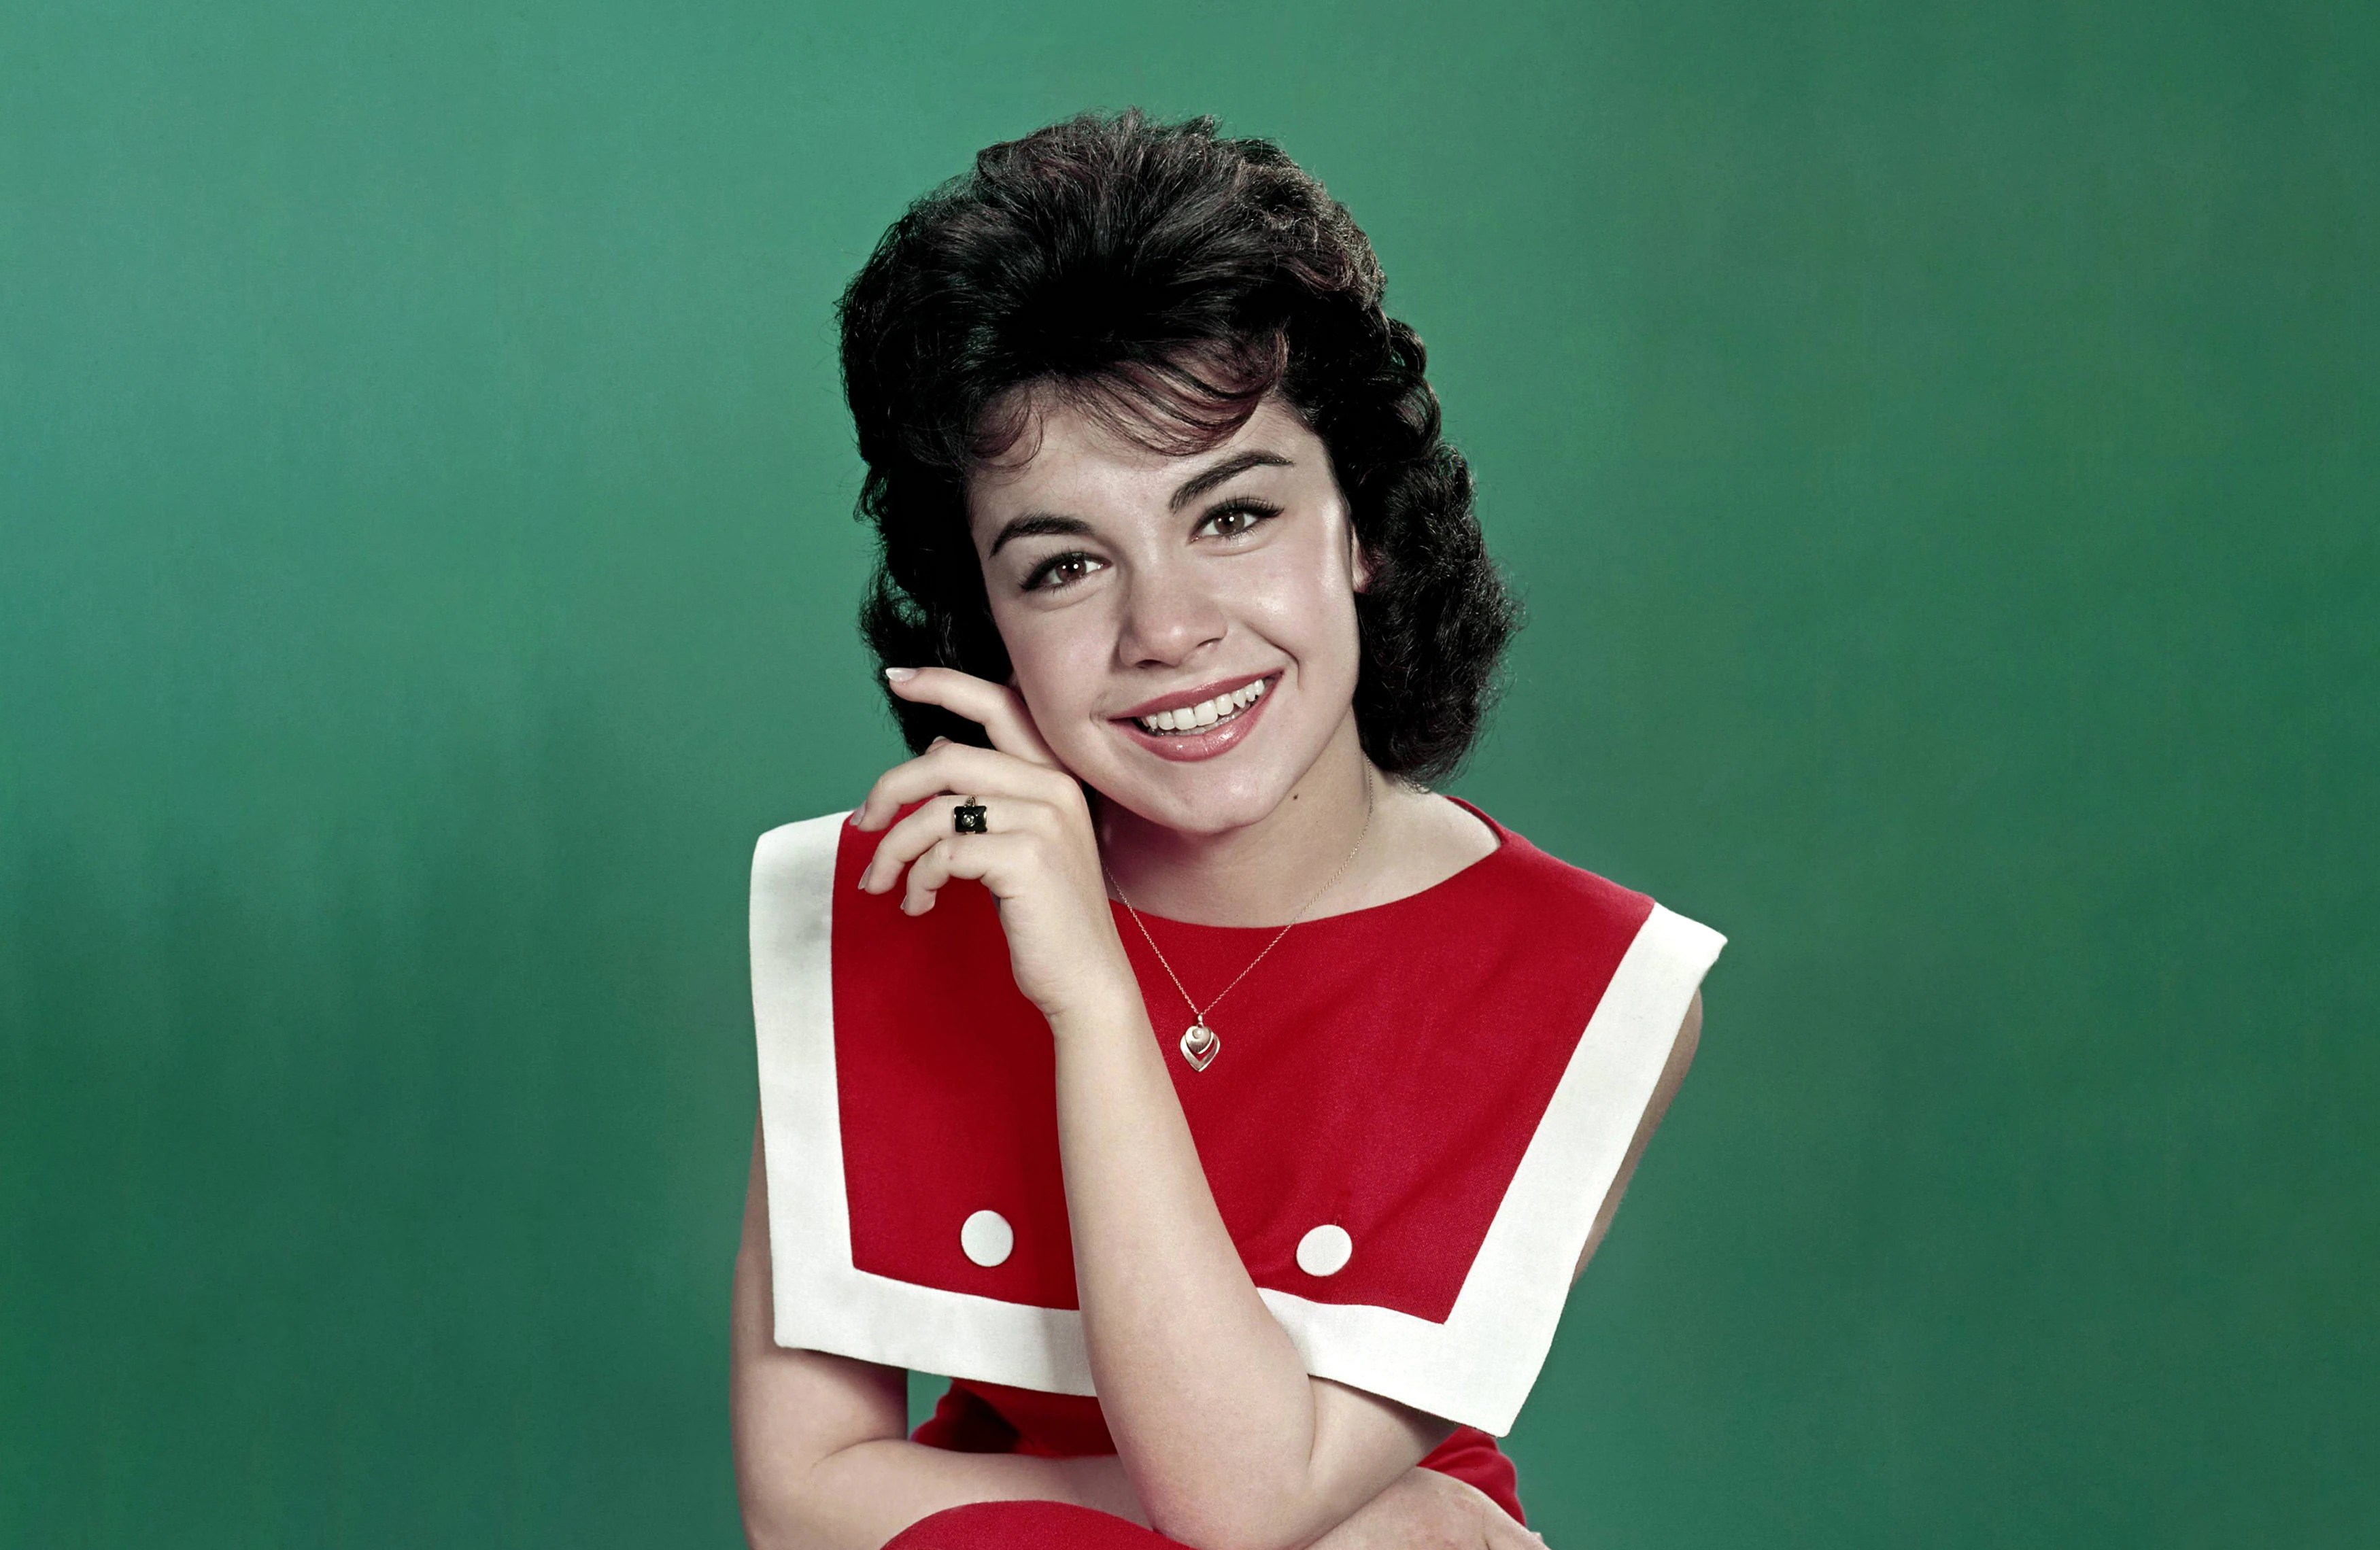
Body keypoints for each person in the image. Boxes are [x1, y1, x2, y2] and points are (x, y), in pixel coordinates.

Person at [730, 109, 1723, 1550]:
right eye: (1063, 565)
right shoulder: (889, 900)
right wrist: (1387, 1525)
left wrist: (1092, 1002)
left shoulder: (1588, 981)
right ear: (985, 623)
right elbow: (798, 1504)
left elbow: (1244, 1495)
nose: (1168, 629)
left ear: (1363, 524)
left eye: (1233, 517)